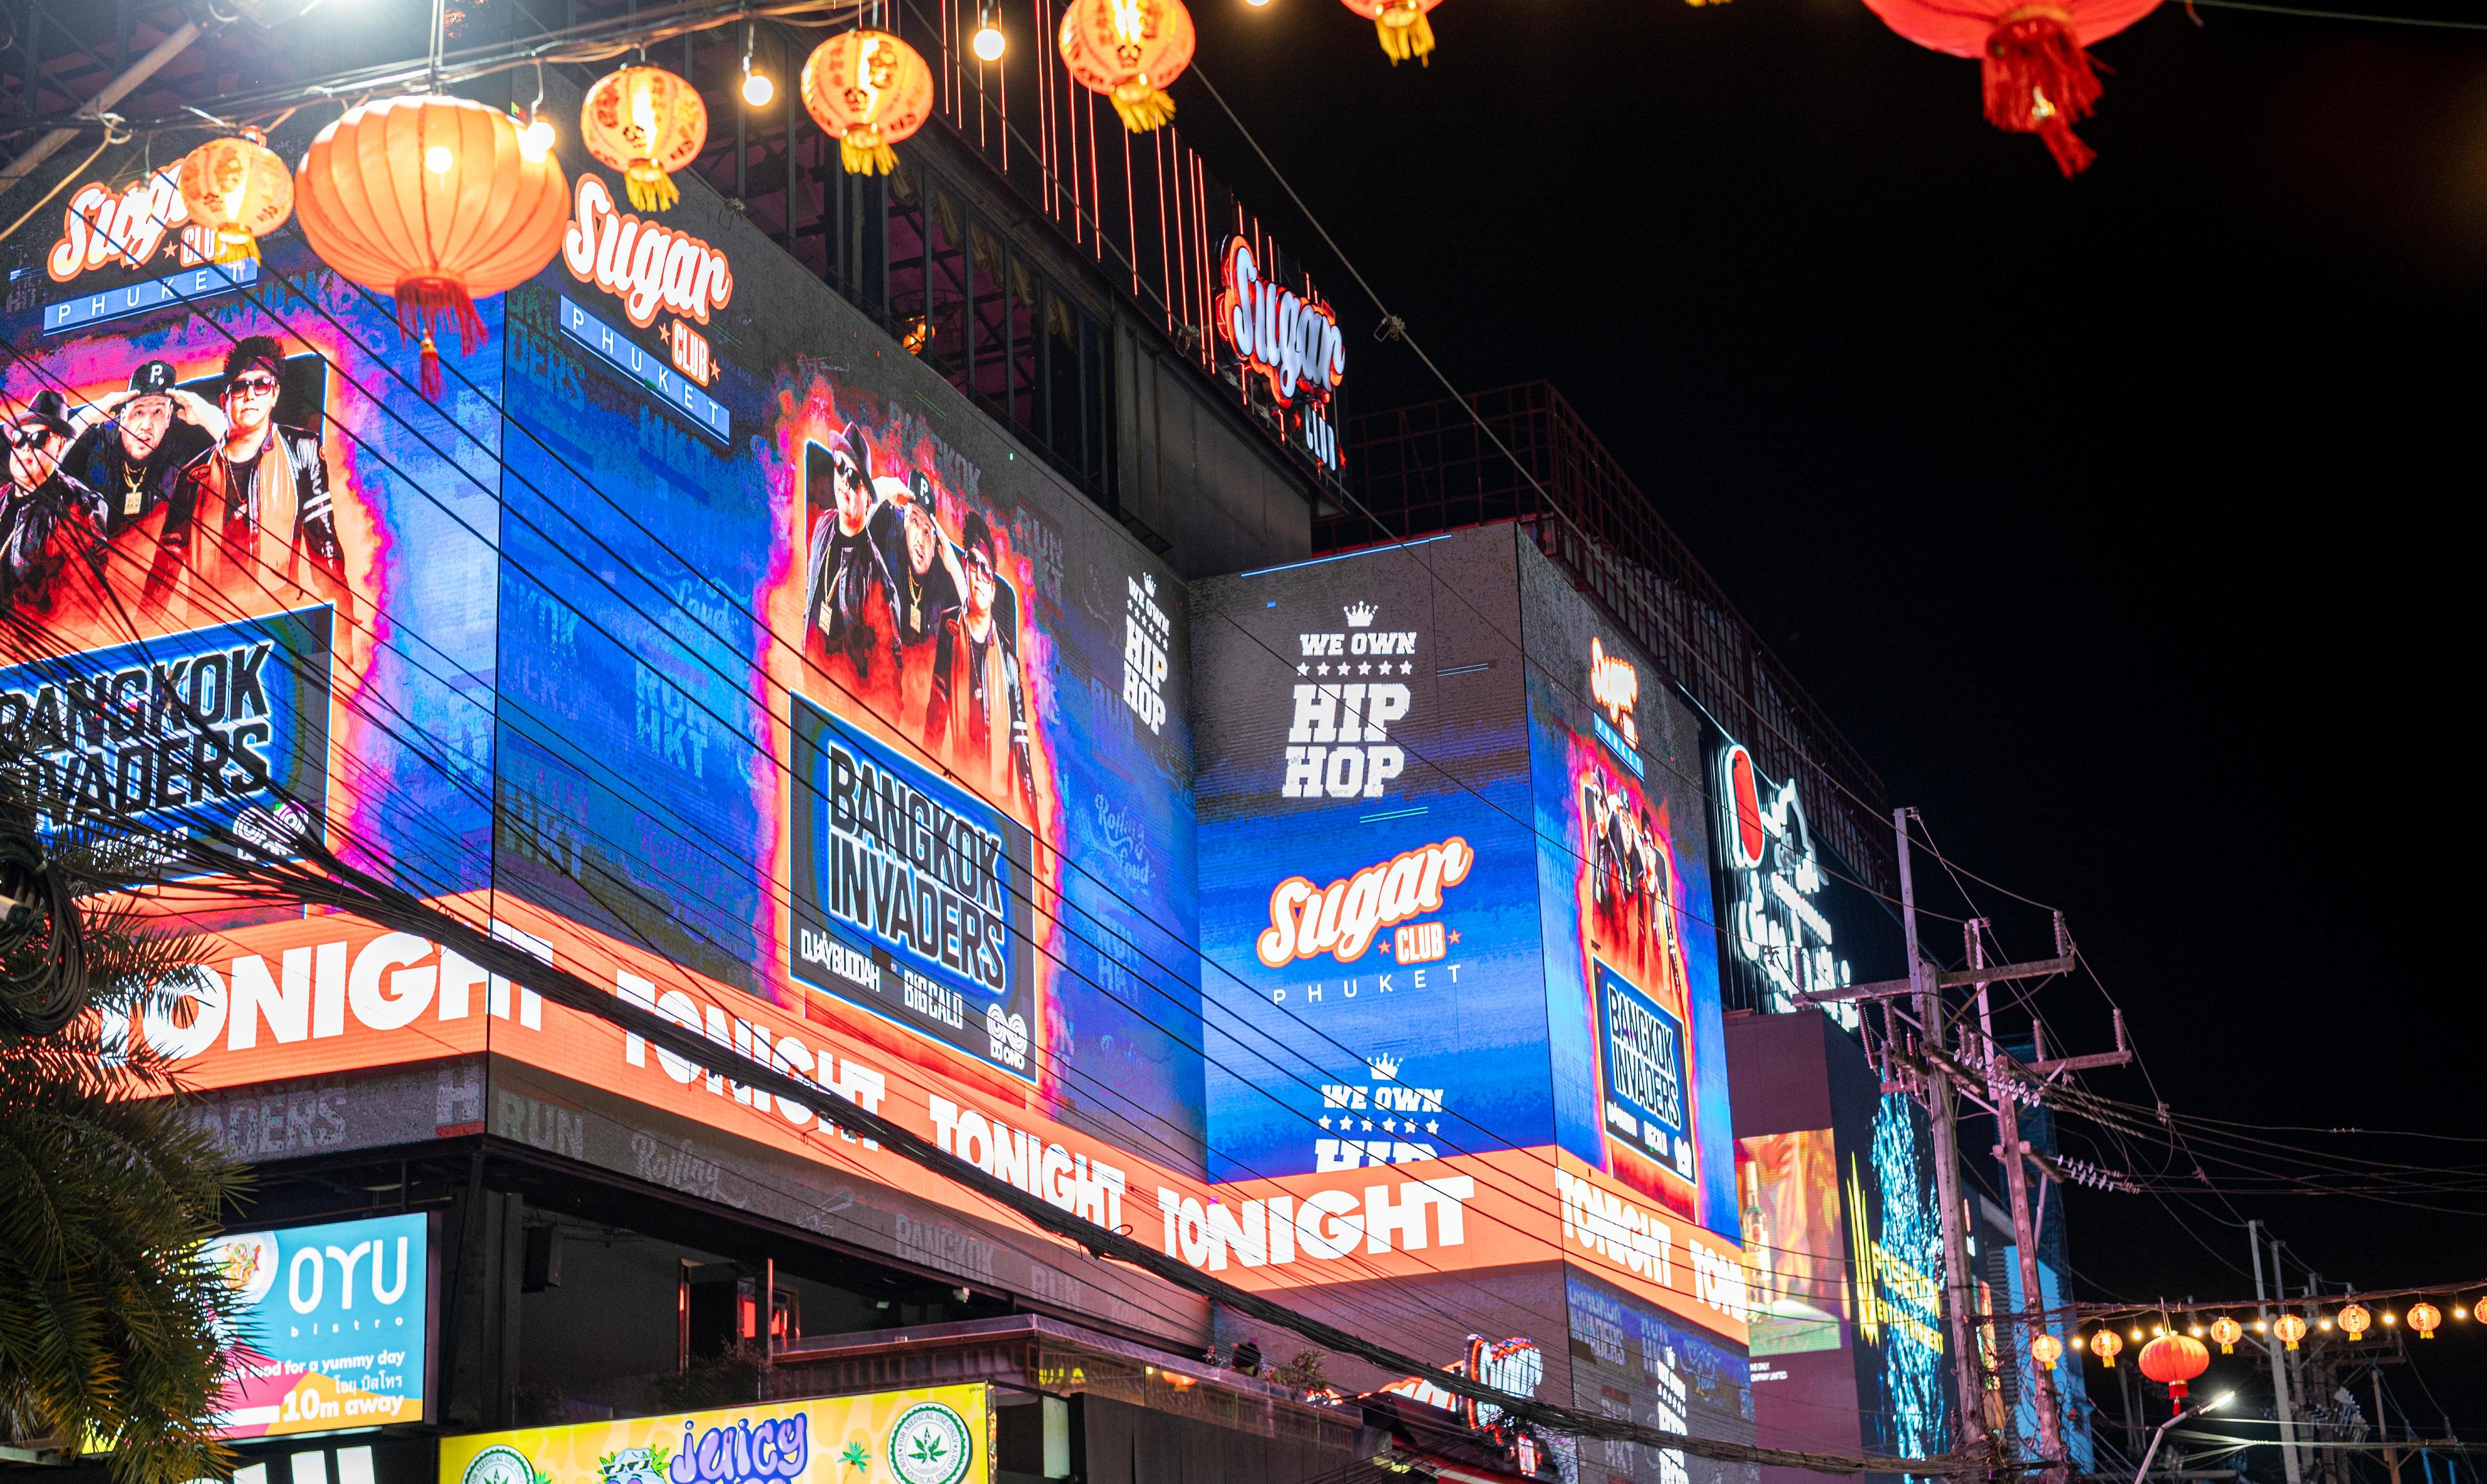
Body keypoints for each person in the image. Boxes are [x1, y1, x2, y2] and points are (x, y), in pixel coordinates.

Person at [176, 336, 342, 584]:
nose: (250, 395)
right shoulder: (193, 475)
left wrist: (340, 601)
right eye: (240, 387)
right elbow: (167, 561)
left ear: (275, 394)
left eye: (262, 384)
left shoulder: (302, 449)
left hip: (278, 605)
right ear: (224, 401)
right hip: (209, 606)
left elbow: (324, 542)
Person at [926, 512, 1036, 810]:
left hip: (999, 810)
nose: (978, 574)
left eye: (986, 569)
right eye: (972, 563)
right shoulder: (950, 629)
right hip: (962, 798)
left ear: (994, 588)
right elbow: (935, 720)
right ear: (965, 568)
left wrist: (1034, 833)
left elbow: (1022, 753)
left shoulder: (1009, 660)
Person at [63, 359, 220, 539]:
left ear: (168, 418)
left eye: (158, 412)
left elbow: (241, 459)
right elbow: (44, 469)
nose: (147, 425)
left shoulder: (187, 445)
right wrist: (87, 417)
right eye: (139, 412)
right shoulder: (96, 443)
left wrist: (209, 417)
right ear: (123, 418)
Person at [801, 423, 903, 677]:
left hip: (840, 697)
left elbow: (889, 681)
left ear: (868, 499)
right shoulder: (823, 524)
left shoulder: (878, 582)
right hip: (806, 683)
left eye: (855, 477)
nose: (845, 482)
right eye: (840, 467)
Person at [0, 390, 104, 612]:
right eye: (19, 439)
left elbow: (87, 596)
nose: (25, 449)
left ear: (59, 447)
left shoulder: (83, 506)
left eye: (38, 439)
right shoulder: (2, 498)